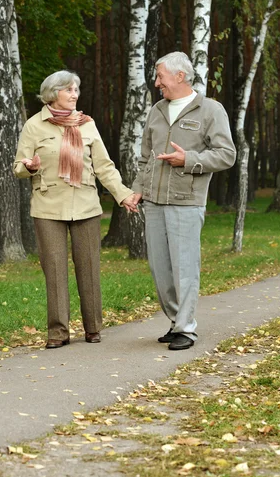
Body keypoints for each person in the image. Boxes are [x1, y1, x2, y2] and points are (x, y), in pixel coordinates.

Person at [14, 70, 138, 349]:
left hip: (85, 206)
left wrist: (124, 195)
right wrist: (29, 166)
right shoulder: (34, 126)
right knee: (55, 269)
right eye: (68, 90)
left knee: (89, 267)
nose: (74, 95)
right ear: (52, 93)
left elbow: (104, 167)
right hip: (48, 207)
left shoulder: (87, 125)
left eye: (76, 90)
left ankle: (93, 328)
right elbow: (18, 167)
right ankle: (58, 332)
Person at [132, 52, 236, 351]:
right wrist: (138, 189)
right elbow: (145, 157)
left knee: (185, 268)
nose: (156, 83)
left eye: (160, 76)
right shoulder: (156, 110)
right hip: (153, 201)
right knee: (160, 268)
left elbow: (226, 155)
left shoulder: (210, 110)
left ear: (180, 76)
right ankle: (177, 321)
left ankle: (186, 329)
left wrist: (188, 159)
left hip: (186, 201)